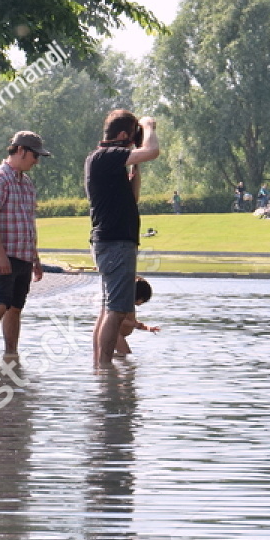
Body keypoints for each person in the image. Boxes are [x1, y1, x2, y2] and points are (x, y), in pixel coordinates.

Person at [86, 111, 160, 366]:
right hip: (115, 242)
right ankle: (105, 369)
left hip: (114, 241)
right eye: (131, 140)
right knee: (116, 310)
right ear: (121, 136)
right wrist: (148, 126)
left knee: (108, 309)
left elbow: (133, 197)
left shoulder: (106, 161)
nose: (133, 146)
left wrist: (135, 165)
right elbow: (153, 151)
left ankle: (100, 367)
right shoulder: (106, 156)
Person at [0, 130, 49, 355]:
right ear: (20, 150)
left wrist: (35, 257)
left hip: (23, 254)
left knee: (15, 308)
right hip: (3, 253)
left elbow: (29, 222)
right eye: (34, 156)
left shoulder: (27, 183)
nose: (36, 161)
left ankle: (11, 356)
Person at [113, 276, 160, 357]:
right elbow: (119, 320)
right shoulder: (124, 305)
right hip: (116, 335)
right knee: (125, 354)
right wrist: (134, 324)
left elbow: (133, 321)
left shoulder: (130, 307)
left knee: (122, 355)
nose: (142, 303)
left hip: (119, 336)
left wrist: (148, 328)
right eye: (143, 300)